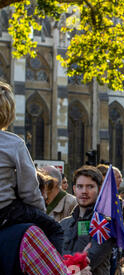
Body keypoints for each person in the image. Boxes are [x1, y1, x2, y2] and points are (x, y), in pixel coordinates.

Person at [0, 81, 64, 254]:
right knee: (55, 230)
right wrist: (41, 212)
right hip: (5, 211)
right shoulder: (13, 143)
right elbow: (29, 189)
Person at [60, 166, 115, 275]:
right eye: (80, 186)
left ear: (99, 189)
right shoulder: (64, 224)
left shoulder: (104, 224)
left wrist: (61, 270)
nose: (84, 191)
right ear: (73, 189)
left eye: (90, 187)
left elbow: (88, 260)